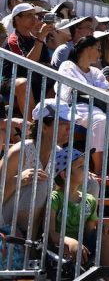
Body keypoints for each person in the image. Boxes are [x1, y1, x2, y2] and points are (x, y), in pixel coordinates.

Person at [0, 100, 72, 239]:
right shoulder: (19, 151)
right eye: (63, 124)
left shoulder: (59, 153)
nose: (69, 129)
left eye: (70, 124)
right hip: (6, 220)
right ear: (44, 127)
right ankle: (27, 247)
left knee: (89, 183)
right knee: (40, 184)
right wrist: (18, 181)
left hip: (40, 220)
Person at [55, 36, 109, 174]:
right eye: (98, 49)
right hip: (75, 106)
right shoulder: (68, 65)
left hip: (99, 106)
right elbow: (77, 89)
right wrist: (105, 93)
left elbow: (108, 90)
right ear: (87, 49)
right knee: (99, 119)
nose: (100, 53)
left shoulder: (96, 71)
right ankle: (99, 170)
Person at [48, 148, 109, 268]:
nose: (87, 170)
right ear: (65, 174)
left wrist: (102, 226)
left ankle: (107, 277)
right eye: (81, 167)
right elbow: (50, 233)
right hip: (60, 248)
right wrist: (70, 241)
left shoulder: (90, 200)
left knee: (105, 233)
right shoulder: (55, 198)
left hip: (83, 248)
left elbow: (88, 231)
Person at [1, 3, 54, 118]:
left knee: (56, 81)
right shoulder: (12, 40)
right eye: (29, 15)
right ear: (17, 19)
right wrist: (40, 38)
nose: (34, 18)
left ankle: (45, 118)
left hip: (33, 79)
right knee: (23, 83)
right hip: (11, 80)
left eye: (34, 15)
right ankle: (32, 125)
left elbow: (46, 65)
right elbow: (27, 64)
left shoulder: (37, 41)